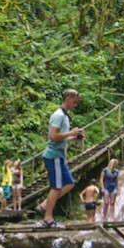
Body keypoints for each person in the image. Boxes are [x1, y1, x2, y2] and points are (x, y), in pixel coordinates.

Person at [35, 89, 83, 229]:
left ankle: (44, 205)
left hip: (59, 156)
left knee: (69, 183)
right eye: (74, 102)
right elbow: (53, 136)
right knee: (55, 187)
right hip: (53, 155)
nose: (75, 105)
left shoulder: (65, 117)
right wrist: (71, 132)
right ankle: (48, 219)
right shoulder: (58, 115)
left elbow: (61, 137)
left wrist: (73, 137)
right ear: (67, 98)